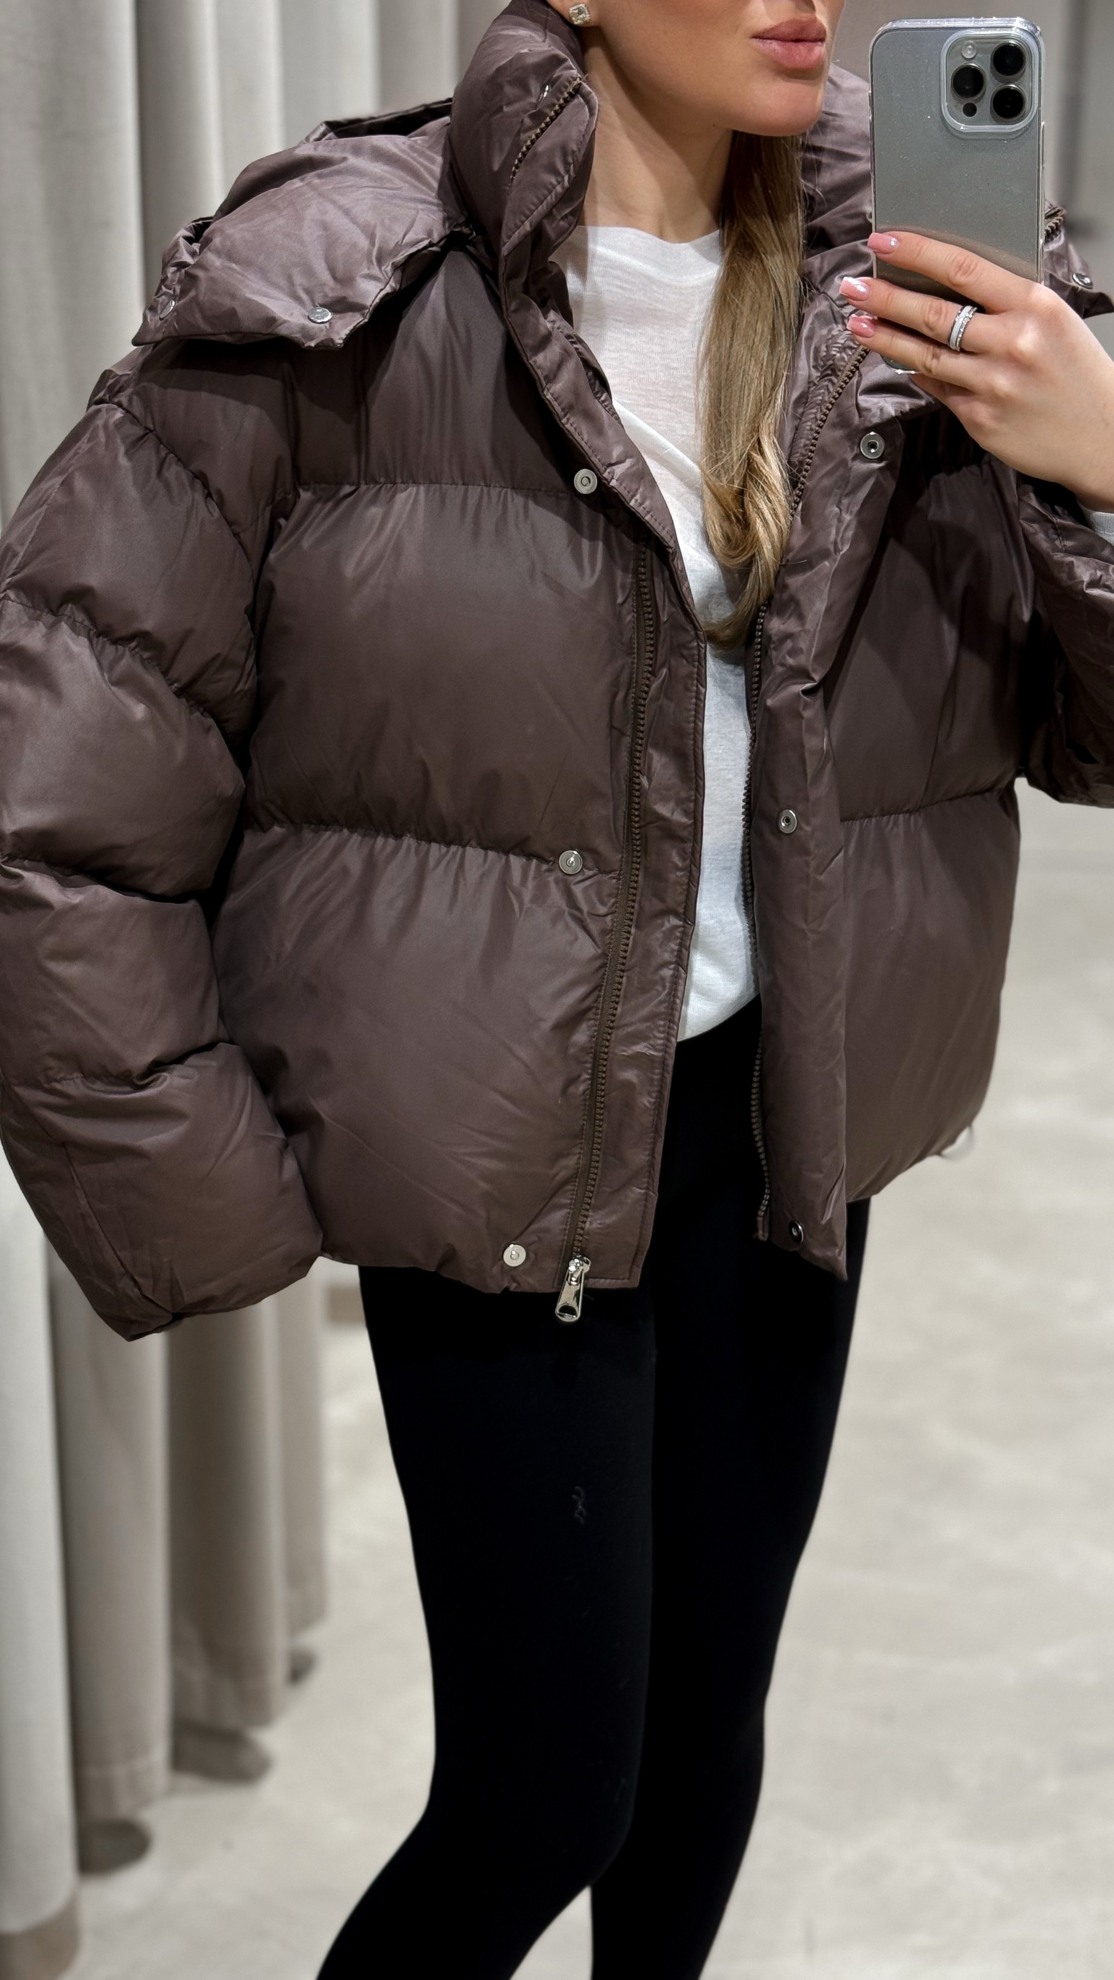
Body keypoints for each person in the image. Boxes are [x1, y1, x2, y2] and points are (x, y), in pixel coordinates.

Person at [0, 0, 1112, 1972]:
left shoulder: (923, 286)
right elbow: (61, 785)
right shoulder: (337, 284)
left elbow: (1082, 736)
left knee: (699, 1741)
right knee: (540, 1790)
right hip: (495, 1144)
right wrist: (210, 1181)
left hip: (780, 1128)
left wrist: (1096, 469)